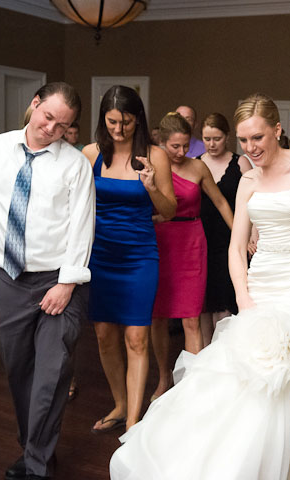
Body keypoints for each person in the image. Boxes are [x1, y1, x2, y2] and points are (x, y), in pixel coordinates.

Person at [110, 92, 290, 480]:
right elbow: (237, 247)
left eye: (258, 137)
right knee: (248, 371)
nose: (251, 147)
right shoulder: (249, 180)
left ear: (277, 130)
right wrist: (243, 296)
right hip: (262, 280)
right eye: (244, 140)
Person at [0, 82, 95, 480]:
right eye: (48, 118)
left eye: (63, 126)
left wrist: (66, 284)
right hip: (8, 280)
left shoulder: (75, 164)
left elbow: (82, 228)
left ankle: (37, 467)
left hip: (59, 282)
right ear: (35, 104)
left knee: (51, 374)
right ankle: (35, 451)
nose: (52, 130)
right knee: (21, 374)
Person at [82, 86, 176, 434]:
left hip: (139, 256)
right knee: (105, 335)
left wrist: (151, 186)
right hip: (100, 253)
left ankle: (134, 422)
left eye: (126, 123)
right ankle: (120, 405)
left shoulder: (156, 156)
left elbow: (169, 211)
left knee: (136, 338)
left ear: (139, 120)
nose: (118, 130)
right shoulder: (89, 153)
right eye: (112, 122)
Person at [150, 112, 234, 401]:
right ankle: (163, 378)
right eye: (174, 147)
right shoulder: (151, 168)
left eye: (186, 146)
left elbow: (221, 202)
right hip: (160, 242)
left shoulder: (198, 168)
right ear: (161, 143)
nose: (181, 152)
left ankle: (193, 385)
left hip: (192, 243)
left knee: (191, 317)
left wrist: (239, 234)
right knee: (158, 317)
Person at [197, 112, 252, 346]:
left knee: (225, 301)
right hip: (200, 239)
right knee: (203, 303)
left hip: (230, 238)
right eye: (207, 139)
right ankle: (204, 359)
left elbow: (254, 201)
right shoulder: (197, 163)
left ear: (227, 137)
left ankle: (225, 355)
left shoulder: (241, 162)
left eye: (216, 138)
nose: (211, 144)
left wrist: (251, 235)